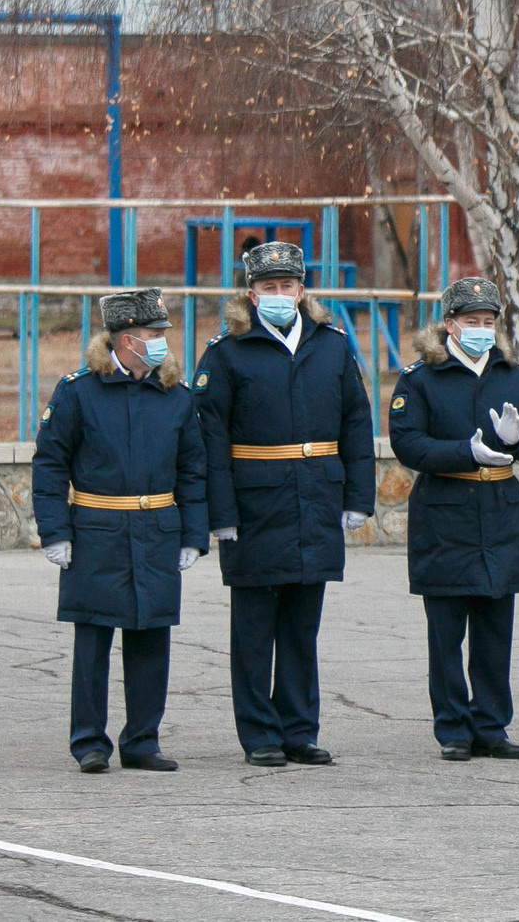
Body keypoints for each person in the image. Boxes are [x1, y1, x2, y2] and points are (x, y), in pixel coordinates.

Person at [195, 241, 375, 766]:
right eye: (268, 288)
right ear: (252, 295)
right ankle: (260, 735)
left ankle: (300, 730)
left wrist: (357, 498)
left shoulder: (333, 346)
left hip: (316, 498)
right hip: (255, 505)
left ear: (302, 290)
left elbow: (357, 426)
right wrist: (220, 515)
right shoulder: (226, 353)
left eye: (287, 286)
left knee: (302, 626)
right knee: (254, 629)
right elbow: (210, 439)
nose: (279, 295)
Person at [33, 288, 206, 773]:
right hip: (97, 528)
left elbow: (193, 469)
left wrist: (193, 535)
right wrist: (55, 531)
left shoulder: (175, 396)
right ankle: (89, 741)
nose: (161, 344)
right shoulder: (79, 391)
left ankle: (142, 740)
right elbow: (50, 464)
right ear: (126, 339)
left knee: (151, 637)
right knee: (93, 639)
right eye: (153, 335)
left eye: (161, 335)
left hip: (155, 528)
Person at [389, 277, 519, 760]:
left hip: (498, 513)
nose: (481, 330)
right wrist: (466, 451)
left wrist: (517, 439)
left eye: (488, 322)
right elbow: (408, 442)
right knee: (446, 632)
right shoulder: (421, 377)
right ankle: (453, 728)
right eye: (471, 321)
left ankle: (491, 725)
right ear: (450, 324)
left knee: (494, 628)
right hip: (446, 513)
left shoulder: (514, 377)